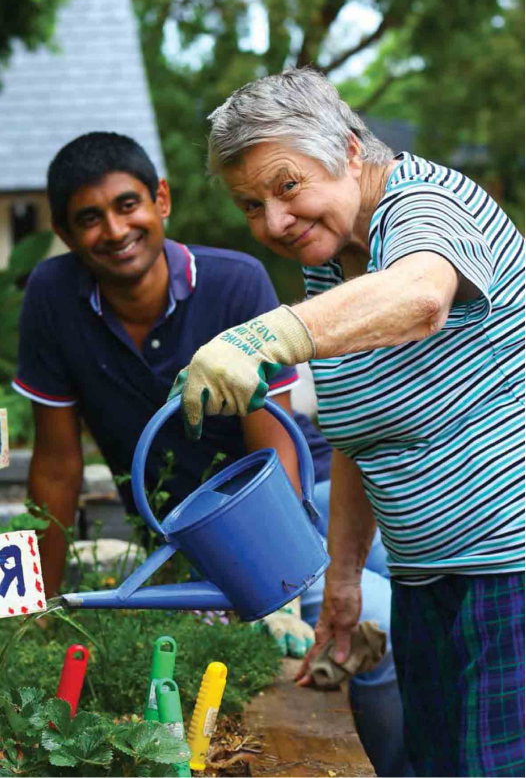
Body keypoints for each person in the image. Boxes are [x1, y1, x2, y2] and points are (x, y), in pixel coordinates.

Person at [13, 132, 413, 778]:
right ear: (63, 229)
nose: (115, 230)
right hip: (205, 533)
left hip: (297, 494)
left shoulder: (231, 281)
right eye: (89, 218)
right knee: (388, 626)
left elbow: (271, 447)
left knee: (442, 581)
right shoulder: (53, 300)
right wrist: (30, 607)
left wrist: (279, 587)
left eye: (127, 205)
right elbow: (55, 469)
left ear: (161, 200)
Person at [173, 67, 526, 778]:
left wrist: (262, 337)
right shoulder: (334, 265)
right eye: (250, 204)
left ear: (350, 152)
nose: (272, 221)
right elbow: (364, 438)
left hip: (509, 575)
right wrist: (342, 583)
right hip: (431, 583)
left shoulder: (429, 205)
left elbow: (423, 294)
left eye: (286, 185)